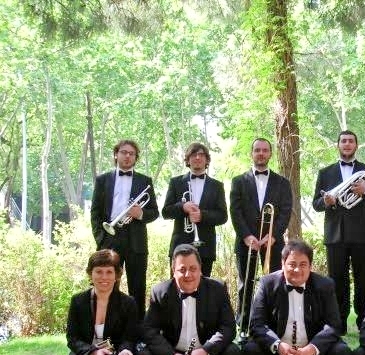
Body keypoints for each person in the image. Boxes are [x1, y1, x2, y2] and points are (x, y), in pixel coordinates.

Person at [135, 244, 241, 355]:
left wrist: (205, 350)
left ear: (200, 269)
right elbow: (148, 330)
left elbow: (228, 327)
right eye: (182, 269)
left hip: (205, 351)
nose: (188, 275)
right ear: (173, 271)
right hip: (174, 351)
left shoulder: (217, 288)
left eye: (193, 269)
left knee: (233, 353)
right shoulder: (160, 291)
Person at [243, 239, 351, 355]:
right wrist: (278, 345)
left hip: (311, 352)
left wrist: (311, 349)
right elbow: (257, 324)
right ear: (282, 264)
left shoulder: (325, 285)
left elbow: (334, 325)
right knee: (250, 350)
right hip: (279, 351)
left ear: (310, 266)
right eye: (292, 264)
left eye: (303, 265)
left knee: (341, 352)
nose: (297, 270)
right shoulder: (267, 283)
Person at [312, 130, 365, 333]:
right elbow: (316, 204)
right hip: (335, 235)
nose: (347, 144)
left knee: (364, 280)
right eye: (343, 141)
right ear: (338, 145)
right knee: (336, 282)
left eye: (351, 141)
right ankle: (338, 323)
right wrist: (326, 201)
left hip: (361, 234)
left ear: (356, 145)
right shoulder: (325, 172)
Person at [63, 249, 139, 355]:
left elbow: (129, 337)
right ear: (90, 273)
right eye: (98, 271)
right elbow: (72, 338)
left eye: (109, 272)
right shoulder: (78, 301)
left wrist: (124, 352)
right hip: (85, 354)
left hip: (115, 354)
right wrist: (94, 353)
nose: (104, 277)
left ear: (117, 275)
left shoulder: (128, 303)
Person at [229, 138, 293, 338]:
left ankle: (272, 326)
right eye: (257, 150)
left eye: (265, 150)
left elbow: (286, 211)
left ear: (270, 154)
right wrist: (247, 236)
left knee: (274, 285)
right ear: (252, 153)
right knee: (245, 285)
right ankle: (243, 327)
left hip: (273, 243)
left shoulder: (282, 183)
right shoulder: (238, 181)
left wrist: (273, 236)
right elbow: (235, 211)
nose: (261, 153)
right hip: (245, 242)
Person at [90, 139, 159, 319]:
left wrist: (140, 213)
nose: (127, 156)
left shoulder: (145, 181)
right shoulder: (103, 180)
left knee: (138, 287)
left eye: (131, 154)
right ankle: (107, 325)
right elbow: (95, 212)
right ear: (116, 154)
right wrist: (101, 239)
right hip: (109, 238)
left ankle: (137, 328)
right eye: (124, 152)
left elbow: (154, 212)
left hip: (136, 240)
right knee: (107, 286)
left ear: (136, 158)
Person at [162, 142, 228, 276]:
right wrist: (182, 207)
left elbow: (223, 216)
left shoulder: (217, 186)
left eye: (201, 155)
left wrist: (202, 215)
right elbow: (166, 212)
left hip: (205, 247)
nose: (197, 157)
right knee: (176, 285)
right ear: (187, 160)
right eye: (193, 155)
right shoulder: (175, 182)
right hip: (180, 245)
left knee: (203, 286)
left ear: (207, 160)